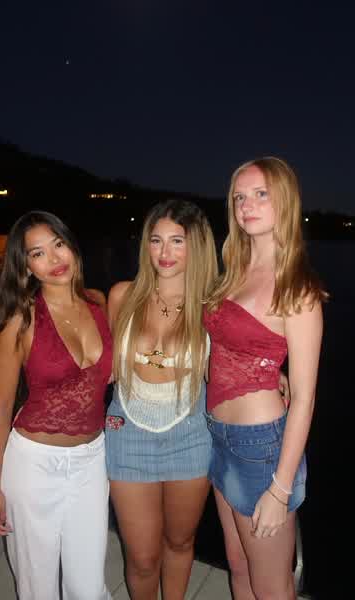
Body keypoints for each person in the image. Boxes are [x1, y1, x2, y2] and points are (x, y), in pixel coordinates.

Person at [204, 157, 327, 599]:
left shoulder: (298, 289)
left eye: (260, 195)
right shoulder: (233, 272)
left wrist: (280, 489)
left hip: (260, 449)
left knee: (273, 587)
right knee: (238, 567)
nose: (247, 205)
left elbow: (305, 399)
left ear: (285, 202)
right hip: (217, 435)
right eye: (239, 197)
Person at [0, 211, 113, 600]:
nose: (54, 259)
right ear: (26, 267)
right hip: (34, 463)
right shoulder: (19, 321)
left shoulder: (98, 303)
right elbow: (0, 408)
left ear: (72, 246)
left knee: (88, 586)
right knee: (37, 584)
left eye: (58, 244)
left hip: (92, 460)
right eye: (38, 253)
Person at [106, 199, 218, 600]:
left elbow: (236, 364)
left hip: (191, 434)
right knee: (141, 558)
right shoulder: (122, 296)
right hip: (128, 433)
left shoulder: (213, 307)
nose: (165, 252)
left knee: (180, 542)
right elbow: (98, 363)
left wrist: (272, 372)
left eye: (177, 241)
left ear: (196, 246)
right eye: (156, 240)